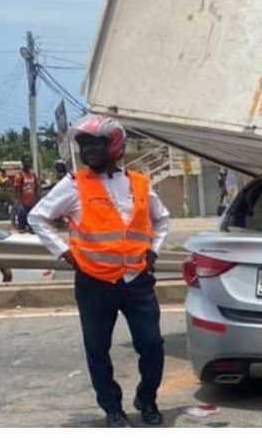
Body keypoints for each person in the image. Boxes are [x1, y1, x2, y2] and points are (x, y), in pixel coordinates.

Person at [28, 115, 170, 427]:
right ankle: (112, 409)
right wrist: (64, 253)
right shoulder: (73, 185)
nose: (89, 150)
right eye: (85, 144)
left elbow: (162, 219)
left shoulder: (139, 183)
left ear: (116, 145)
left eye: (97, 143)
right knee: (98, 349)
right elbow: (37, 217)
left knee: (152, 345)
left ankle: (147, 399)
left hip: (136, 280)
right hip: (94, 282)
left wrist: (153, 250)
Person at [12, 156, 40, 232]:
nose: (28, 164)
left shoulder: (33, 175)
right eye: (26, 162)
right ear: (23, 163)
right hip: (23, 203)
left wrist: (37, 200)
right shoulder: (19, 175)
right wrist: (18, 202)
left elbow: (37, 188)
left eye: (30, 162)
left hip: (32, 202)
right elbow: (16, 189)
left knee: (32, 224)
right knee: (22, 226)